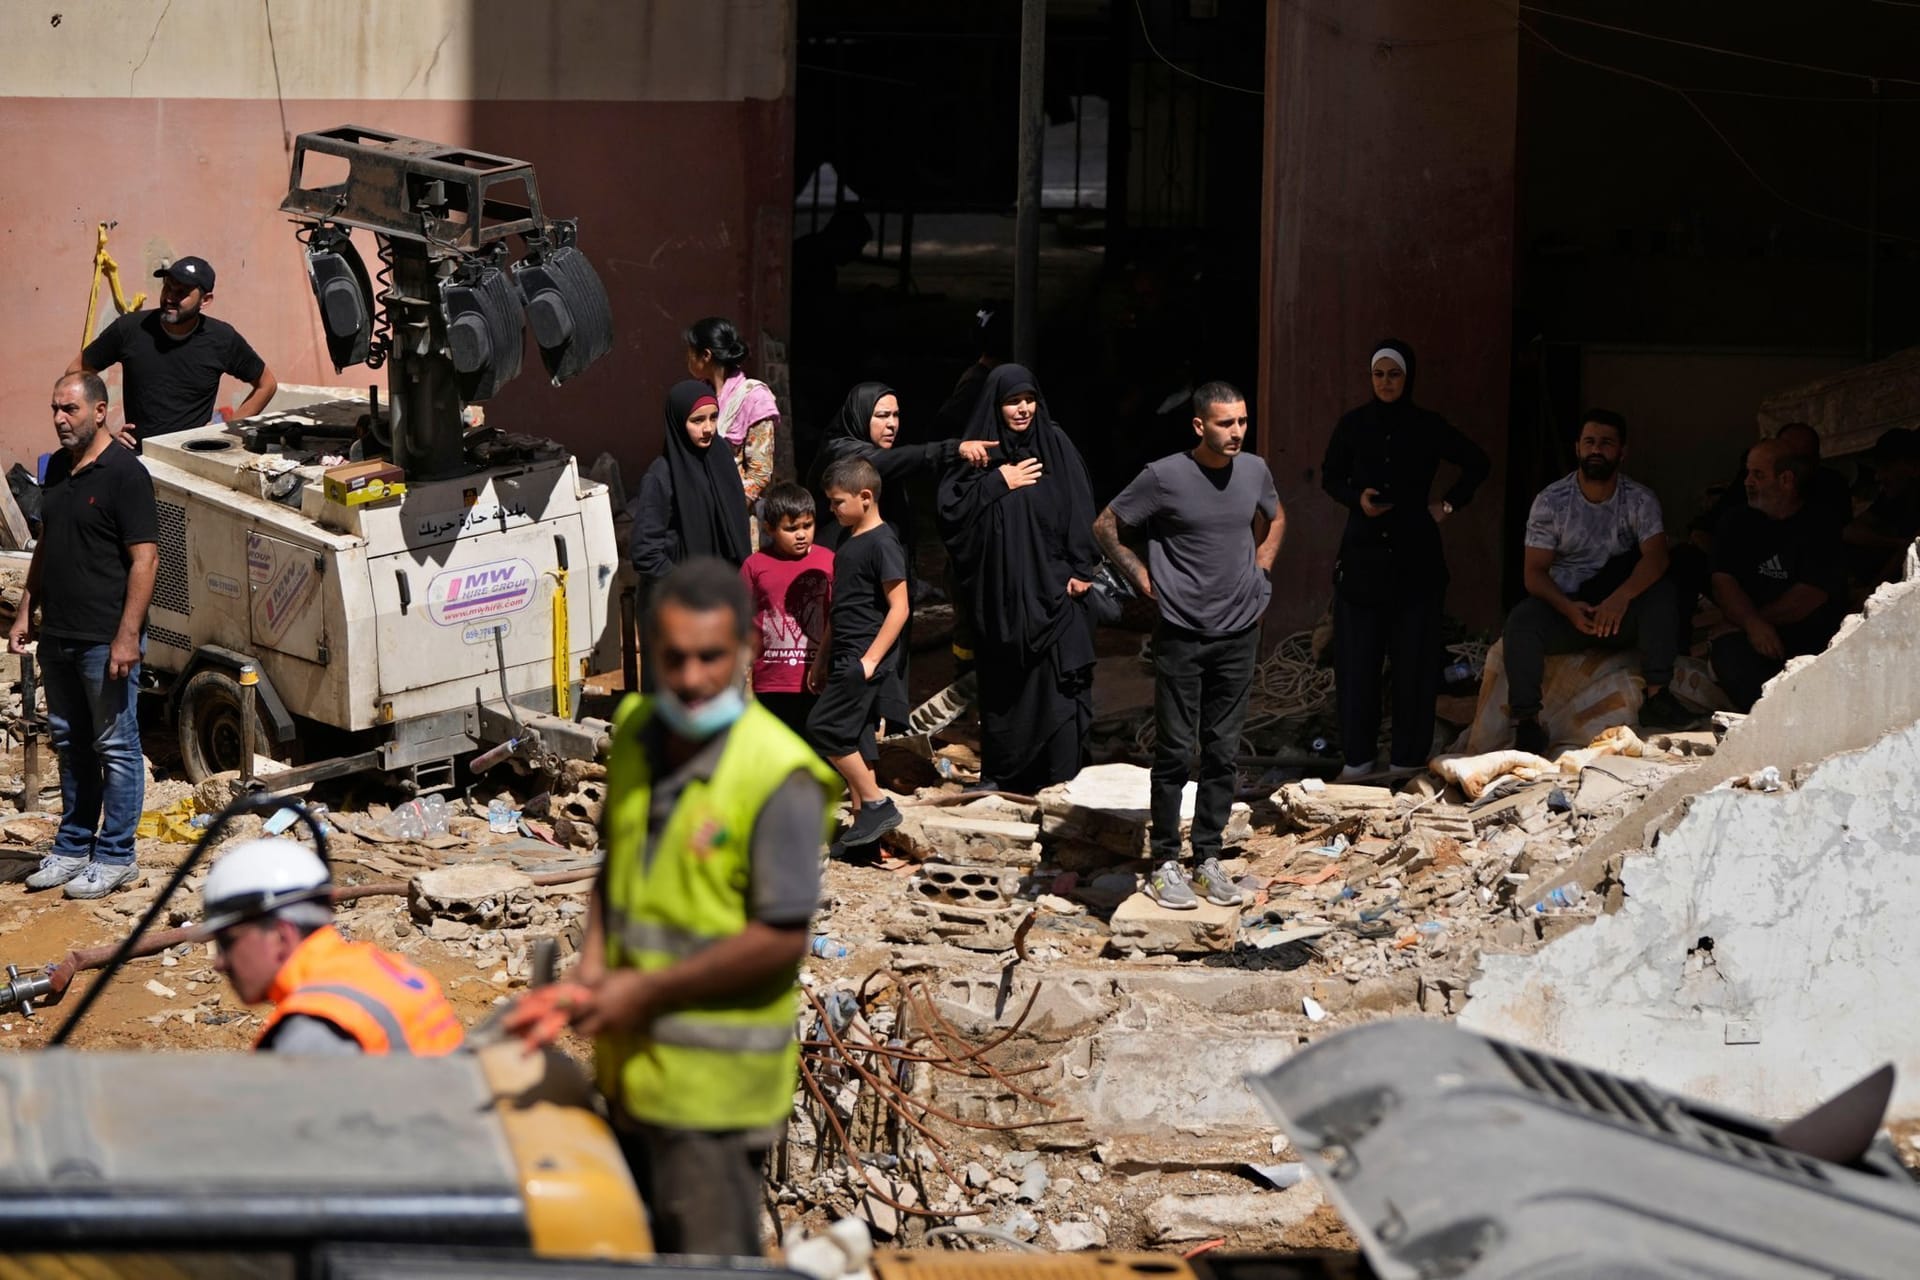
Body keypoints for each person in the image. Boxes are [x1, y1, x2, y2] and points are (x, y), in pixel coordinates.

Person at [505, 557, 837, 1258]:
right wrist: (591, 970)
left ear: (745, 652)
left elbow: (780, 937)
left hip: (714, 1100)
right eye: (675, 659)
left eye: (710, 658)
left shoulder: (778, 775)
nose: (690, 679)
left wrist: (644, 990)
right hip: (633, 1073)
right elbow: (614, 870)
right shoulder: (639, 737)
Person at [1096, 381, 1284, 911]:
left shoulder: (1255, 470)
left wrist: (1262, 567)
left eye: (1243, 422)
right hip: (1181, 630)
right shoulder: (1164, 476)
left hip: (1240, 629)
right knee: (1176, 751)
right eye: (1226, 424)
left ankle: (1207, 858)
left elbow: (1278, 515)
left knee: (1223, 750)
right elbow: (1106, 525)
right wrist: (1140, 575)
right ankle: (1165, 864)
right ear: (1200, 426)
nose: (1237, 433)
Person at [11, 372, 156, 900]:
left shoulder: (125, 474)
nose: (58, 418)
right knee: (71, 745)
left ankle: (116, 854)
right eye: (54, 408)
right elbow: (47, 545)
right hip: (60, 635)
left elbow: (146, 560)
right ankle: (73, 846)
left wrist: (127, 636)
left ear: (100, 412)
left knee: (115, 745)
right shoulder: (55, 471)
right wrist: (28, 609)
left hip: (104, 638)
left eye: (69, 409)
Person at [1319, 342, 1490, 779]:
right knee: (1358, 665)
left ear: (1407, 377)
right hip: (1362, 560)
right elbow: (1330, 476)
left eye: (1394, 375)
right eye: (1379, 375)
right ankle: (1357, 761)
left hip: (1416, 559)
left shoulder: (1427, 425)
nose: (1386, 383)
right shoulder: (1353, 425)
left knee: (1414, 664)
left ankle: (1406, 763)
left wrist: (1447, 505)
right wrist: (1357, 498)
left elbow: (1476, 462)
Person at [938, 365, 1099, 793]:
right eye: (1012, 401)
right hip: (1001, 601)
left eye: (1029, 399)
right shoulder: (978, 455)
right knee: (1006, 690)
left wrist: (1083, 569)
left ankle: (1062, 781)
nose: (1023, 408)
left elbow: (1080, 508)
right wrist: (996, 483)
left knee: (1060, 687)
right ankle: (1007, 775)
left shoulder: (1055, 445)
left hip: (1056, 595)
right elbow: (950, 516)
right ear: (996, 405)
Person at [1503, 410, 1690, 753]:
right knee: (1521, 621)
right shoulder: (1551, 501)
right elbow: (1533, 573)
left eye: (1606, 443)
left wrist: (1620, 599)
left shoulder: (1639, 499)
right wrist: (1568, 609)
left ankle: (1658, 696)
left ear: (1622, 452)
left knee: (1663, 594)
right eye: (1589, 442)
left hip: (1619, 610)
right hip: (1569, 608)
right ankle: (1527, 721)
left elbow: (1657, 557)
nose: (1596, 450)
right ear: (1577, 448)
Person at [199, 838, 463, 1054]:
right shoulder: (389, 969)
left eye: (227, 942)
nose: (219, 962)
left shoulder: (313, 1033)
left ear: (281, 936)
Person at [807, 458, 909, 848]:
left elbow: (899, 607)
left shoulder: (883, 542)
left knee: (824, 728)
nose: (831, 510)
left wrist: (869, 661)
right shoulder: (850, 540)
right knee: (857, 736)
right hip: (844, 651)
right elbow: (841, 605)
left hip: (864, 656)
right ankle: (862, 836)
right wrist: (821, 656)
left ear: (865, 498)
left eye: (837, 502)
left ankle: (877, 803)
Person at [70, 255, 277, 446]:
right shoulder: (130, 328)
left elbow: (266, 385)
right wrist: (101, 431)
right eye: (167, 288)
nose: (169, 297)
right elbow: (76, 372)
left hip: (193, 456)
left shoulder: (221, 338)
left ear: (205, 300)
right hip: (139, 456)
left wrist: (226, 430)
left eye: (181, 292)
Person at [1709, 440, 1847, 710]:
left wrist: (1756, 623)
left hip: (1808, 632)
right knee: (1730, 656)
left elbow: (1810, 595)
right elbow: (1723, 581)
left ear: (1786, 480)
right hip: (1752, 632)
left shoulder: (1821, 523)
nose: (1748, 482)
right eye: (1747, 473)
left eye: (1758, 475)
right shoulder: (1735, 521)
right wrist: (1751, 624)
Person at [807, 381, 994, 554]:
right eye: (882, 416)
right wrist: (953, 449)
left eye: (895, 415)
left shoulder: (881, 450)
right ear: (860, 415)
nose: (892, 424)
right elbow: (888, 461)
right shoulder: (841, 451)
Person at [740, 482, 835, 743]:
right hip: (771, 681)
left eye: (807, 526)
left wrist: (826, 663)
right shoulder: (755, 565)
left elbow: (838, 616)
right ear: (769, 529)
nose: (801, 535)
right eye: (791, 529)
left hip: (818, 677)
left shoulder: (829, 561)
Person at [685, 317, 779, 531]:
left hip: (735, 518)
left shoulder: (754, 398)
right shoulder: (697, 394)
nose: (687, 359)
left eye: (690, 352)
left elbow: (759, 473)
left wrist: (722, 509)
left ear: (706, 355)